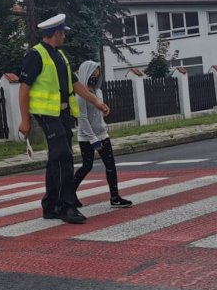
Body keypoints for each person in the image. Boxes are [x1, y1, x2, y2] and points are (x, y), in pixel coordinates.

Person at [18, 13, 110, 224]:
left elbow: (76, 83)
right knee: (64, 156)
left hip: (62, 114)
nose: (65, 38)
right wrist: (25, 120)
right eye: (63, 34)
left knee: (57, 158)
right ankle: (66, 205)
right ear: (56, 33)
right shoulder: (36, 55)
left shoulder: (60, 56)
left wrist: (96, 102)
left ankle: (50, 205)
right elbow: (24, 89)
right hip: (47, 114)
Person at [72, 61, 132, 208]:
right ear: (86, 74)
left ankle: (115, 197)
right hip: (87, 137)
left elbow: (97, 112)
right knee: (87, 165)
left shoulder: (98, 92)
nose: (95, 77)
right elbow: (82, 119)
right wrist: (93, 140)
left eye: (97, 74)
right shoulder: (81, 95)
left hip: (102, 134)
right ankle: (69, 193)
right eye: (92, 74)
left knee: (110, 165)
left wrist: (104, 111)